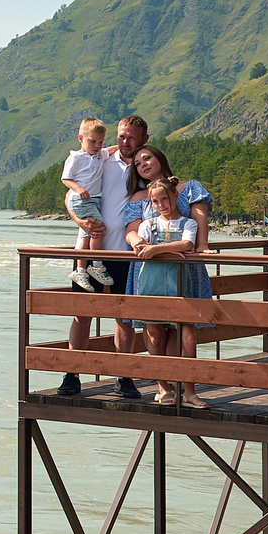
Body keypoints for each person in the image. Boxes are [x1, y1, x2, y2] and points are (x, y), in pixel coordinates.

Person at [58, 114, 148, 400]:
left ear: (143, 139)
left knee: (124, 318)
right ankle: (72, 374)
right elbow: (69, 197)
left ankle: (124, 377)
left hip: (124, 252)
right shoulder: (100, 157)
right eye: (122, 136)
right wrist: (80, 221)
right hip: (88, 248)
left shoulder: (146, 166)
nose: (125, 141)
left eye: (131, 137)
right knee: (82, 314)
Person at [126, 175, 200, 404]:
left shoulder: (189, 223)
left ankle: (189, 390)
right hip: (152, 284)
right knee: (155, 335)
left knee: (186, 337)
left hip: (180, 286)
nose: (161, 205)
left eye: (164, 199)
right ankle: (163, 387)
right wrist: (165, 250)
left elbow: (187, 244)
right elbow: (141, 246)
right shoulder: (148, 225)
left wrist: (156, 251)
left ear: (175, 196)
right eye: (155, 202)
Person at [61, 119, 114, 292]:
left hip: (94, 201)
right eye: (92, 141)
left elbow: (112, 150)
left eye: (101, 142)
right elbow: (66, 178)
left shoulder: (100, 155)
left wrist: (125, 146)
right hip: (81, 200)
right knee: (99, 229)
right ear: (81, 138)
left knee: (86, 235)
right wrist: (78, 188)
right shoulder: (75, 158)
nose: (97, 145)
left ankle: (81, 270)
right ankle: (97, 265)